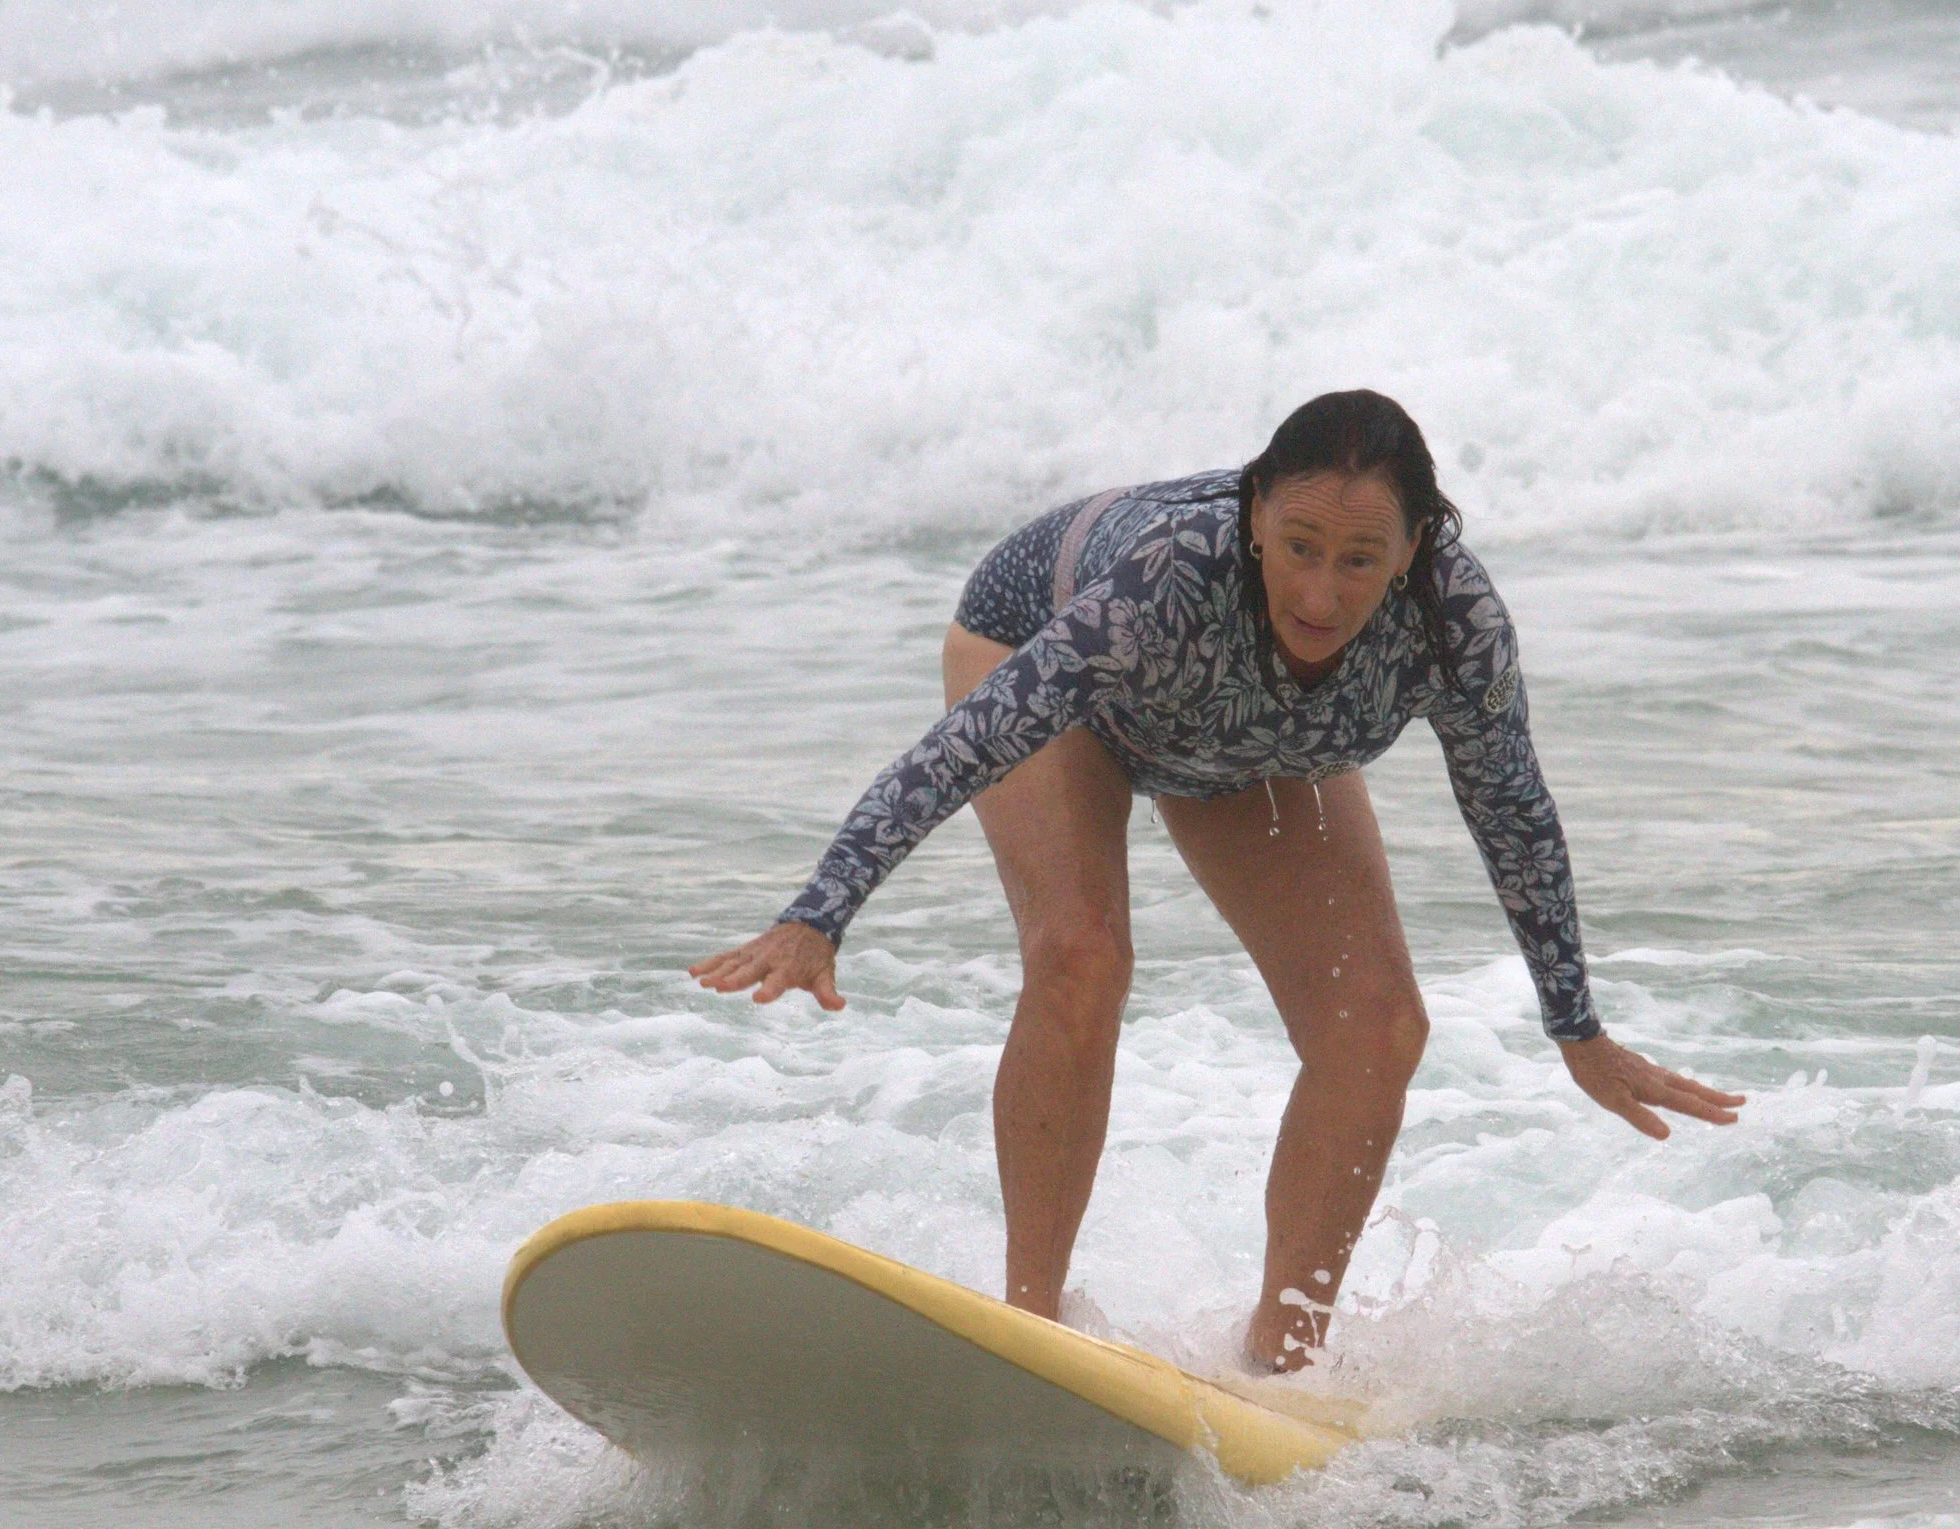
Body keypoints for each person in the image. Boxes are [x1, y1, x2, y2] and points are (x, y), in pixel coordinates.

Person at [689, 390, 1742, 1371]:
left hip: (1233, 735)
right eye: (1297, 548)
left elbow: (1512, 810)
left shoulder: (1453, 624)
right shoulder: (1170, 580)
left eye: (1359, 560)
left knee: (1377, 1023)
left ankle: (1281, 1368)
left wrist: (1578, 1030)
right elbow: (964, 749)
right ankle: (1027, 1330)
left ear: (1414, 549)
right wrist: (816, 914)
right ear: (1251, 519)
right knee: (1081, 954)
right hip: (1045, 648)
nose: (1321, 591)